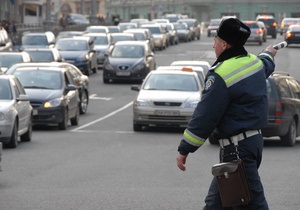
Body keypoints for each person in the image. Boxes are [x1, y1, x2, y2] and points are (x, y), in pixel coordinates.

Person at [176, 18, 277, 209]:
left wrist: (185, 149)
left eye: (215, 40)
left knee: (254, 204)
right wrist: (269, 54)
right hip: (252, 144)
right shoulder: (253, 62)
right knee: (215, 204)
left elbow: (205, 115)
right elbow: (266, 64)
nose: (213, 44)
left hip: (237, 150)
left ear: (223, 44)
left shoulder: (220, 74)